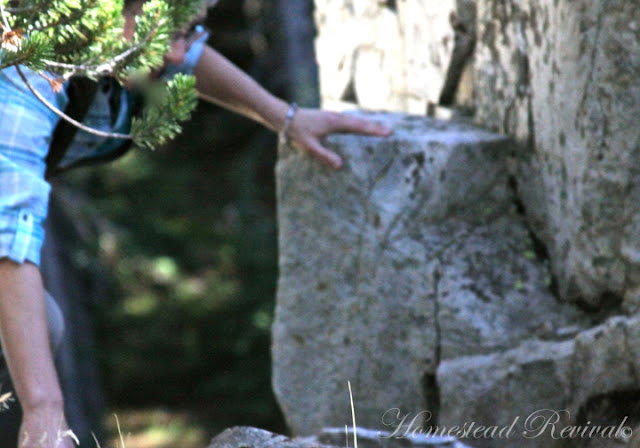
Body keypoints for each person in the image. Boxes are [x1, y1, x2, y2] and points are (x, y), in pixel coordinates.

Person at [0, 1, 392, 447]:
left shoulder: (124, 35)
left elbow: (187, 54)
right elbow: (9, 238)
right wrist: (44, 410)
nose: (176, 53)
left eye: (187, 30)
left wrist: (284, 117)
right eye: (163, 32)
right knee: (39, 329)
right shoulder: (25, 71)